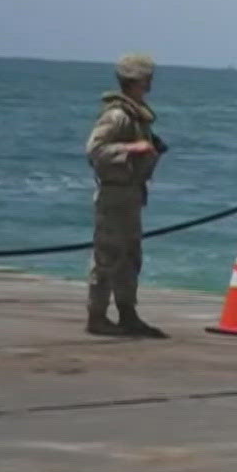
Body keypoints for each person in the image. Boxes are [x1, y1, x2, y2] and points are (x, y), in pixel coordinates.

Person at [84, 53, 166, 338]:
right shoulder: (117, 116)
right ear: (137, 79)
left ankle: (127, 312)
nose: (151, 81)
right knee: (107, 255)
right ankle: (96, 316)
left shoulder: (136, 114)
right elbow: (95, 150)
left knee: (130, 256)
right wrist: (132, 150)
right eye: (147, 77)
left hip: (131, 193)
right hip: (114, 194)